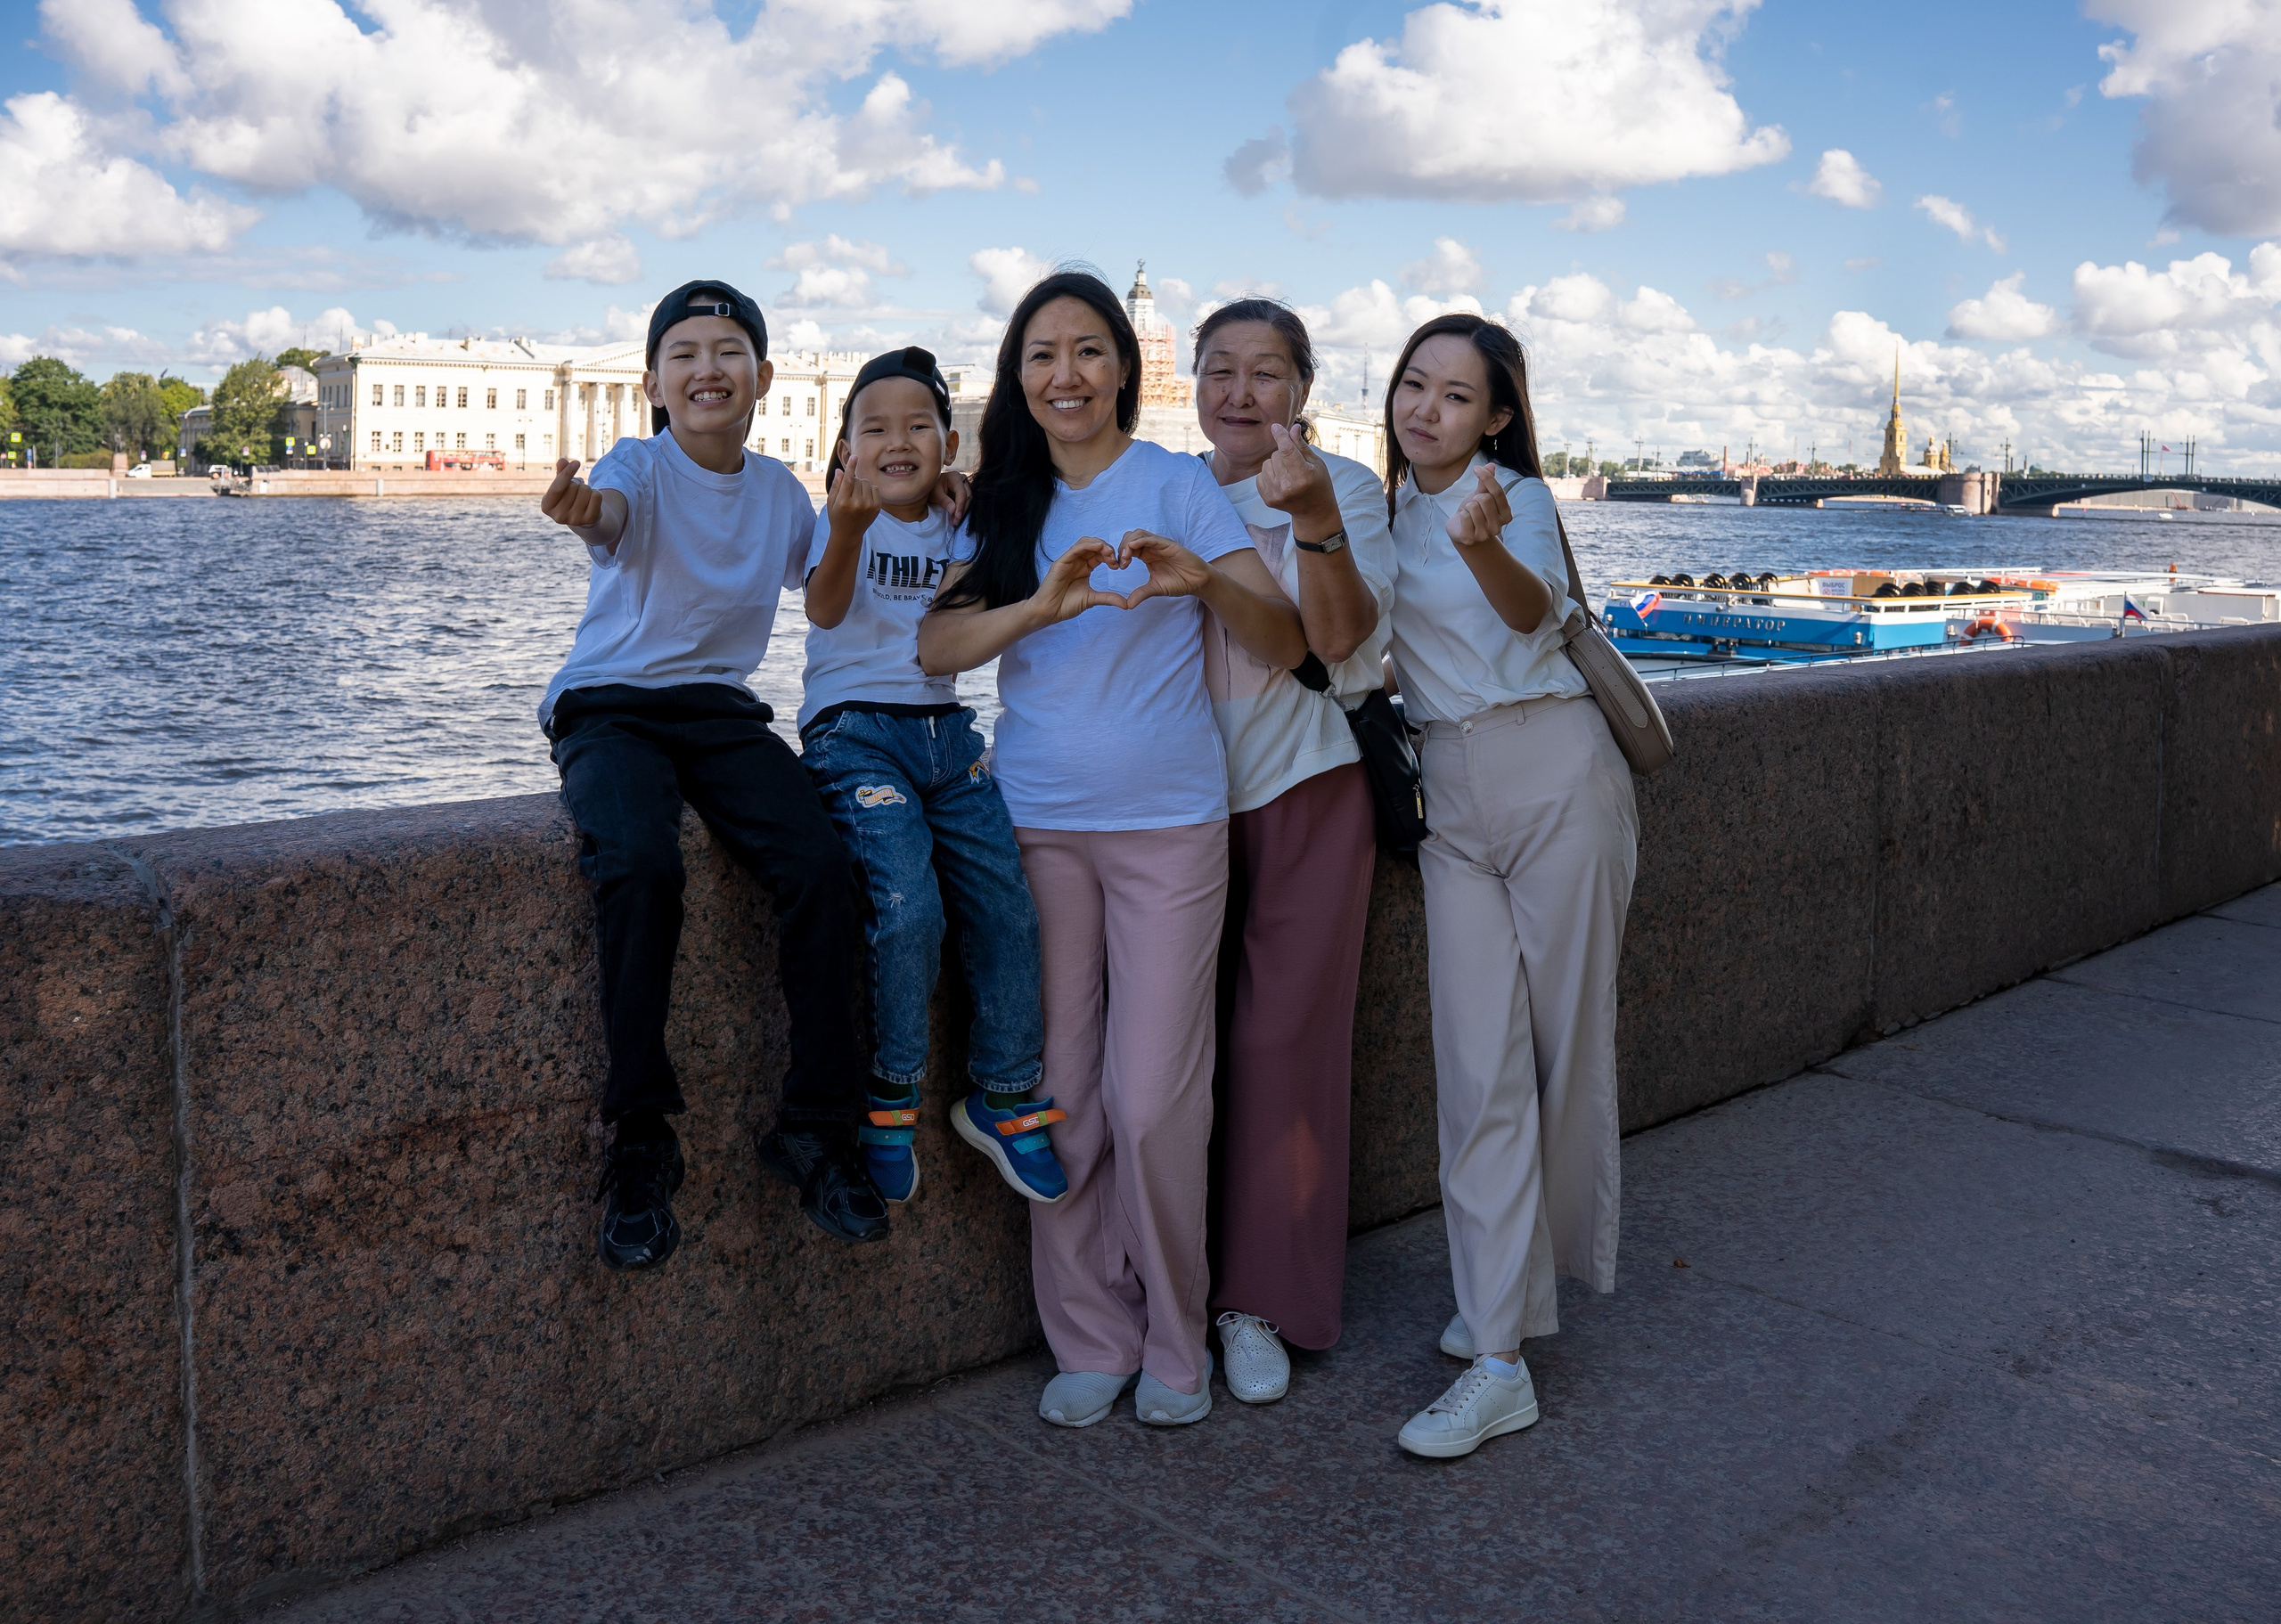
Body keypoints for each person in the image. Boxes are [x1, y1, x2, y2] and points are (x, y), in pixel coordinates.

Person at [919, 271, 1306, 1430]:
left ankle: (1175, 1336)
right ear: (1017, 375)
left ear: (1126, 367)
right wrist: (1035, 609)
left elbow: (1285, 641)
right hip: (1037, 824)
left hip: (1170, 828)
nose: (1067, 374)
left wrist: (1205, 584)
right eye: (1043, 353)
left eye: (1089, 351)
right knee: (1060, 1097)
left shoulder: (1178, 486)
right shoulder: (1000, 500)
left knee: (1154, 1100)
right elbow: (936, 646)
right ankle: (1089, 1330)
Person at [537, 278, 893, 1268]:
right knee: (642, 862)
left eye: (728, 352)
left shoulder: (780, 489)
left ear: (763, 378)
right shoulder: (636, 464)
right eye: (685, 353)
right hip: (609, 703)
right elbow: (612, 517)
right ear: (654, 381)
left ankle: (815, 1125)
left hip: (717, 712)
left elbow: (822, 605)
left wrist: (855, 525)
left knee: (821, 865)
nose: (708, 368)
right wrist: (581, 512)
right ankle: (641, 1135)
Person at [1380, 313, 1638, 1460]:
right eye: (1411, 384)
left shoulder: (1513, 496)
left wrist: (1480, 542)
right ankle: (1499, 1338)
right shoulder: (1378, 515)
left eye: (1453, 393)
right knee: (1475, 1062)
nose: (1425, 407)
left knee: (1561, 1046)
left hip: (1554, 770)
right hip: (1450, 795)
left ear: (1496, 415)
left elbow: (1531, 608)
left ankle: (1508, 1322)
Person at [797, 346, 1069, 1207]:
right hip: (853, 734)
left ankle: (1002, 1090)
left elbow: (965, 603)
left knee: (1005, 904)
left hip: (948, 735)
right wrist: (844, 529)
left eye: (918, 425)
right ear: (845, 448)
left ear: (949, 442)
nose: (897, 440)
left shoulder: (964, 519)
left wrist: (969, 493)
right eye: (873, 428)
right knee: (909, 906)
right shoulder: (836, 516)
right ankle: (892, 1089)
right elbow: (825, 607)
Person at [1187, 300, 1394, 1405]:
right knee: (1167, 1054)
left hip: (1310, 786)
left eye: (1266, 372)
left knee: (1282, 1049)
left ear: (1302, 391)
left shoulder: (1346, 488)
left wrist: (1310, 516)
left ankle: (1257, 1302)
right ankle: (1166, 1287)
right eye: (1219, 369)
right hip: (1173, 803)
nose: (1240, 391)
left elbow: (1343, 637)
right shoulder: (1168, 487)